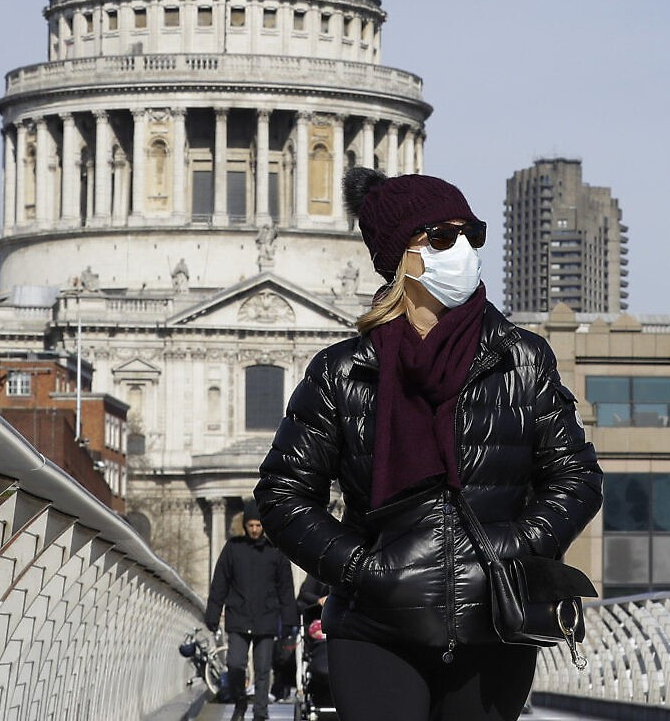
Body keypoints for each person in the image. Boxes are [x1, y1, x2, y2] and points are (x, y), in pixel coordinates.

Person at [254, 167, 605, 721]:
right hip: (375, 628)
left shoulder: (522, 358)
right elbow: (282, 495)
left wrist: (518, 546)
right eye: (442, 237)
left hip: (495, 624)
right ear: (401, 256)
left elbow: (577, 477)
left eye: (472, 235)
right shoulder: (343, 372)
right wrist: (363, 569)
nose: (462, 250)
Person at [204, 511, 297, 720]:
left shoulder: (276, 551)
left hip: (266, 617)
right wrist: (212, 613)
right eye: (251, 526)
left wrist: (290, 620)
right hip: (238, 616)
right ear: (244, 526)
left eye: (258, 525)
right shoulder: (233, 548)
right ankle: (240, 701)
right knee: (235, 664)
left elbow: (285, 588)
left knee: (263, 669)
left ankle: (260, 713)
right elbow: (220, 583)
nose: (255, 530)